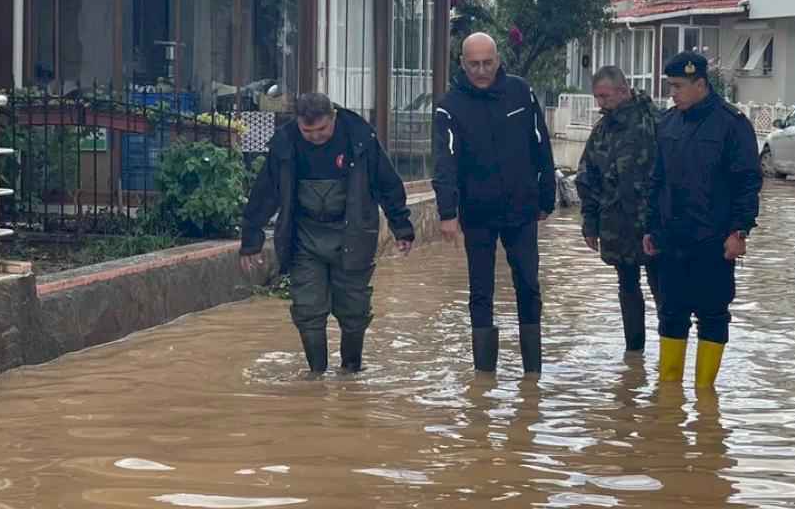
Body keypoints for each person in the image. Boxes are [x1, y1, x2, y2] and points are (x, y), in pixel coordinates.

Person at [239, 93, 414, 377]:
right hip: (303, 238)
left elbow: (387, 184)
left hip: (353, 233)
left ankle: (351, 370)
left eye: (321, 129)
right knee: (308, 309)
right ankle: (316, 374)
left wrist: (402, 227)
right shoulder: (285, 143)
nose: (315, 136)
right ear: (298, 124)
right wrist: (251, 239)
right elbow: (265, 193)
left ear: (333, 117)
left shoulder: (360, 137)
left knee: (354, 309)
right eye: (307, 131)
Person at [433, 32, 556, 375]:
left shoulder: (521, 92)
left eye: (488, 63)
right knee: (481, 289)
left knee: (529, 284)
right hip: (478, 211)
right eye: (474, 64)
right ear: (462, 64)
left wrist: (547, 195)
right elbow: (445, 161)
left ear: (499, 61)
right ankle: (484, 377)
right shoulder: (450, 105)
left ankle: (533, 372)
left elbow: (540, 144)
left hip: (522, 207)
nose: (482, 70)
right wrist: (447, 212)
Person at [643, 51, 762, 389]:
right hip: (671, 239)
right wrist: (650, 227)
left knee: (712, 316)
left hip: (713, 240)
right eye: (670, 86)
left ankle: (706, 397)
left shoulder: (732, 124)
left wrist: (740, 231)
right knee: (670, 314)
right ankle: (669, 396)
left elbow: (748, 182)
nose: (673, 93)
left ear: (700, 84)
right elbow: (656, 179)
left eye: (678, 86)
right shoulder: (667, 123)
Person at [574, 65, 662, 354]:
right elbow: (587, 178)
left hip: (655, 222)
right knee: (627, 285)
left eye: (605, 96)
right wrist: (590, 224)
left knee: (662, 288)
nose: (601, 103)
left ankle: (670, 350)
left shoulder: (655, 121)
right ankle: (634, 354)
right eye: (597, 97)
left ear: (623, 91)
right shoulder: (602, 130)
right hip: (617, 224)